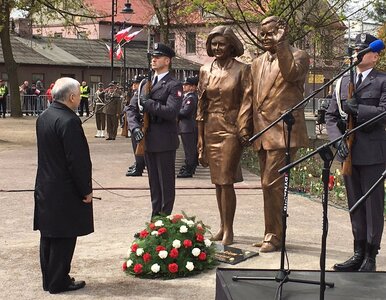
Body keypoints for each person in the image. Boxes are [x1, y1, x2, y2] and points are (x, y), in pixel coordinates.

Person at [239, 16, 310, 252]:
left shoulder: (298, 55)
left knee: (272, 182)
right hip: (262, 131)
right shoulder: (257, 62)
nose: (264, 38)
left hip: (283, 130)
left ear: (282, 31)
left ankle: (275, 235)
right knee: (267, 185)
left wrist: (281, 46)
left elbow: (290, 75)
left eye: (269, 33)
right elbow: (249, 96)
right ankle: (271, 232)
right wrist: (243, 125)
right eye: (262, 34)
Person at [325, 33, 386, 272]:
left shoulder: (383, 80)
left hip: (373, 152)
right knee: (355, 203)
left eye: (363, 51)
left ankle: (371, 254)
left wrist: (358, 109)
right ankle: (358, 251)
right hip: (347, 152)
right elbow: (331, 116)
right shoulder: (342, 81)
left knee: (372, 204)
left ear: (375, 56)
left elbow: (383, 112)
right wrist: (337, 141)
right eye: (356, 50)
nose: (357, 54)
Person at [34, 77, 93, 293]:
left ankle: (49, 279)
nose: (79, 98)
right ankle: (58, 281)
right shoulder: (69, 121)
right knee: (65, 236)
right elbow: (76, 160)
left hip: (45, 183)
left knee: (48, 234)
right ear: (71, 97)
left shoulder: (44, 116)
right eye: (78, 94)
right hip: (65, 187)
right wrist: (85, 189)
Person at [197, 26, 250, 245]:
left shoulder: (242, 69)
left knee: (226, 180)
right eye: (214, 44)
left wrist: (243, 128)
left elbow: (248, 101)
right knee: (217, 182)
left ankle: (229, 229)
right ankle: (221, 226)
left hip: (231, 129)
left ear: (231, 45)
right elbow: (201, 106)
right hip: (210, 128)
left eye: (222, 44)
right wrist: (200, 139)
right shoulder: (204, 70)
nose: (217, 48)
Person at [127, 43, 183, 218]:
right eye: (152, 57)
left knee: (165, 183)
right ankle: (155, 218)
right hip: (147, 139)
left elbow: (171, 111)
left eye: (157, 57)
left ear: (167, 61)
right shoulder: (145, 83)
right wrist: (135, 127)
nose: (153, 60)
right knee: (154, 184)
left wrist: (148, 103)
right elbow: (130, 109)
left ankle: (164, 220)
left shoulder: (174, 85)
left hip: (164, 140)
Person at [177, 76, 199, 178]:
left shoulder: (191, 98)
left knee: (190, 149)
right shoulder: (186, 97)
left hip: (188, 127)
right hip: (185, 127)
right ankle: (189, 166)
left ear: (193, 87)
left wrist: (174, 112)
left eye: (187, 85)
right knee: (188, 148)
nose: (184, 86)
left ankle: (190, 168)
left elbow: (185, 112)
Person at [126, 74, 146, 177]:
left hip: (139, 124)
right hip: (138, 123)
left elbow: (131, 109)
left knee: (138, 147)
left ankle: (139, 167)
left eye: (136, 84)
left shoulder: (139, 94)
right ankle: (139, 165)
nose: (134, 86)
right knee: (138, 147)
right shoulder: (137, 94)